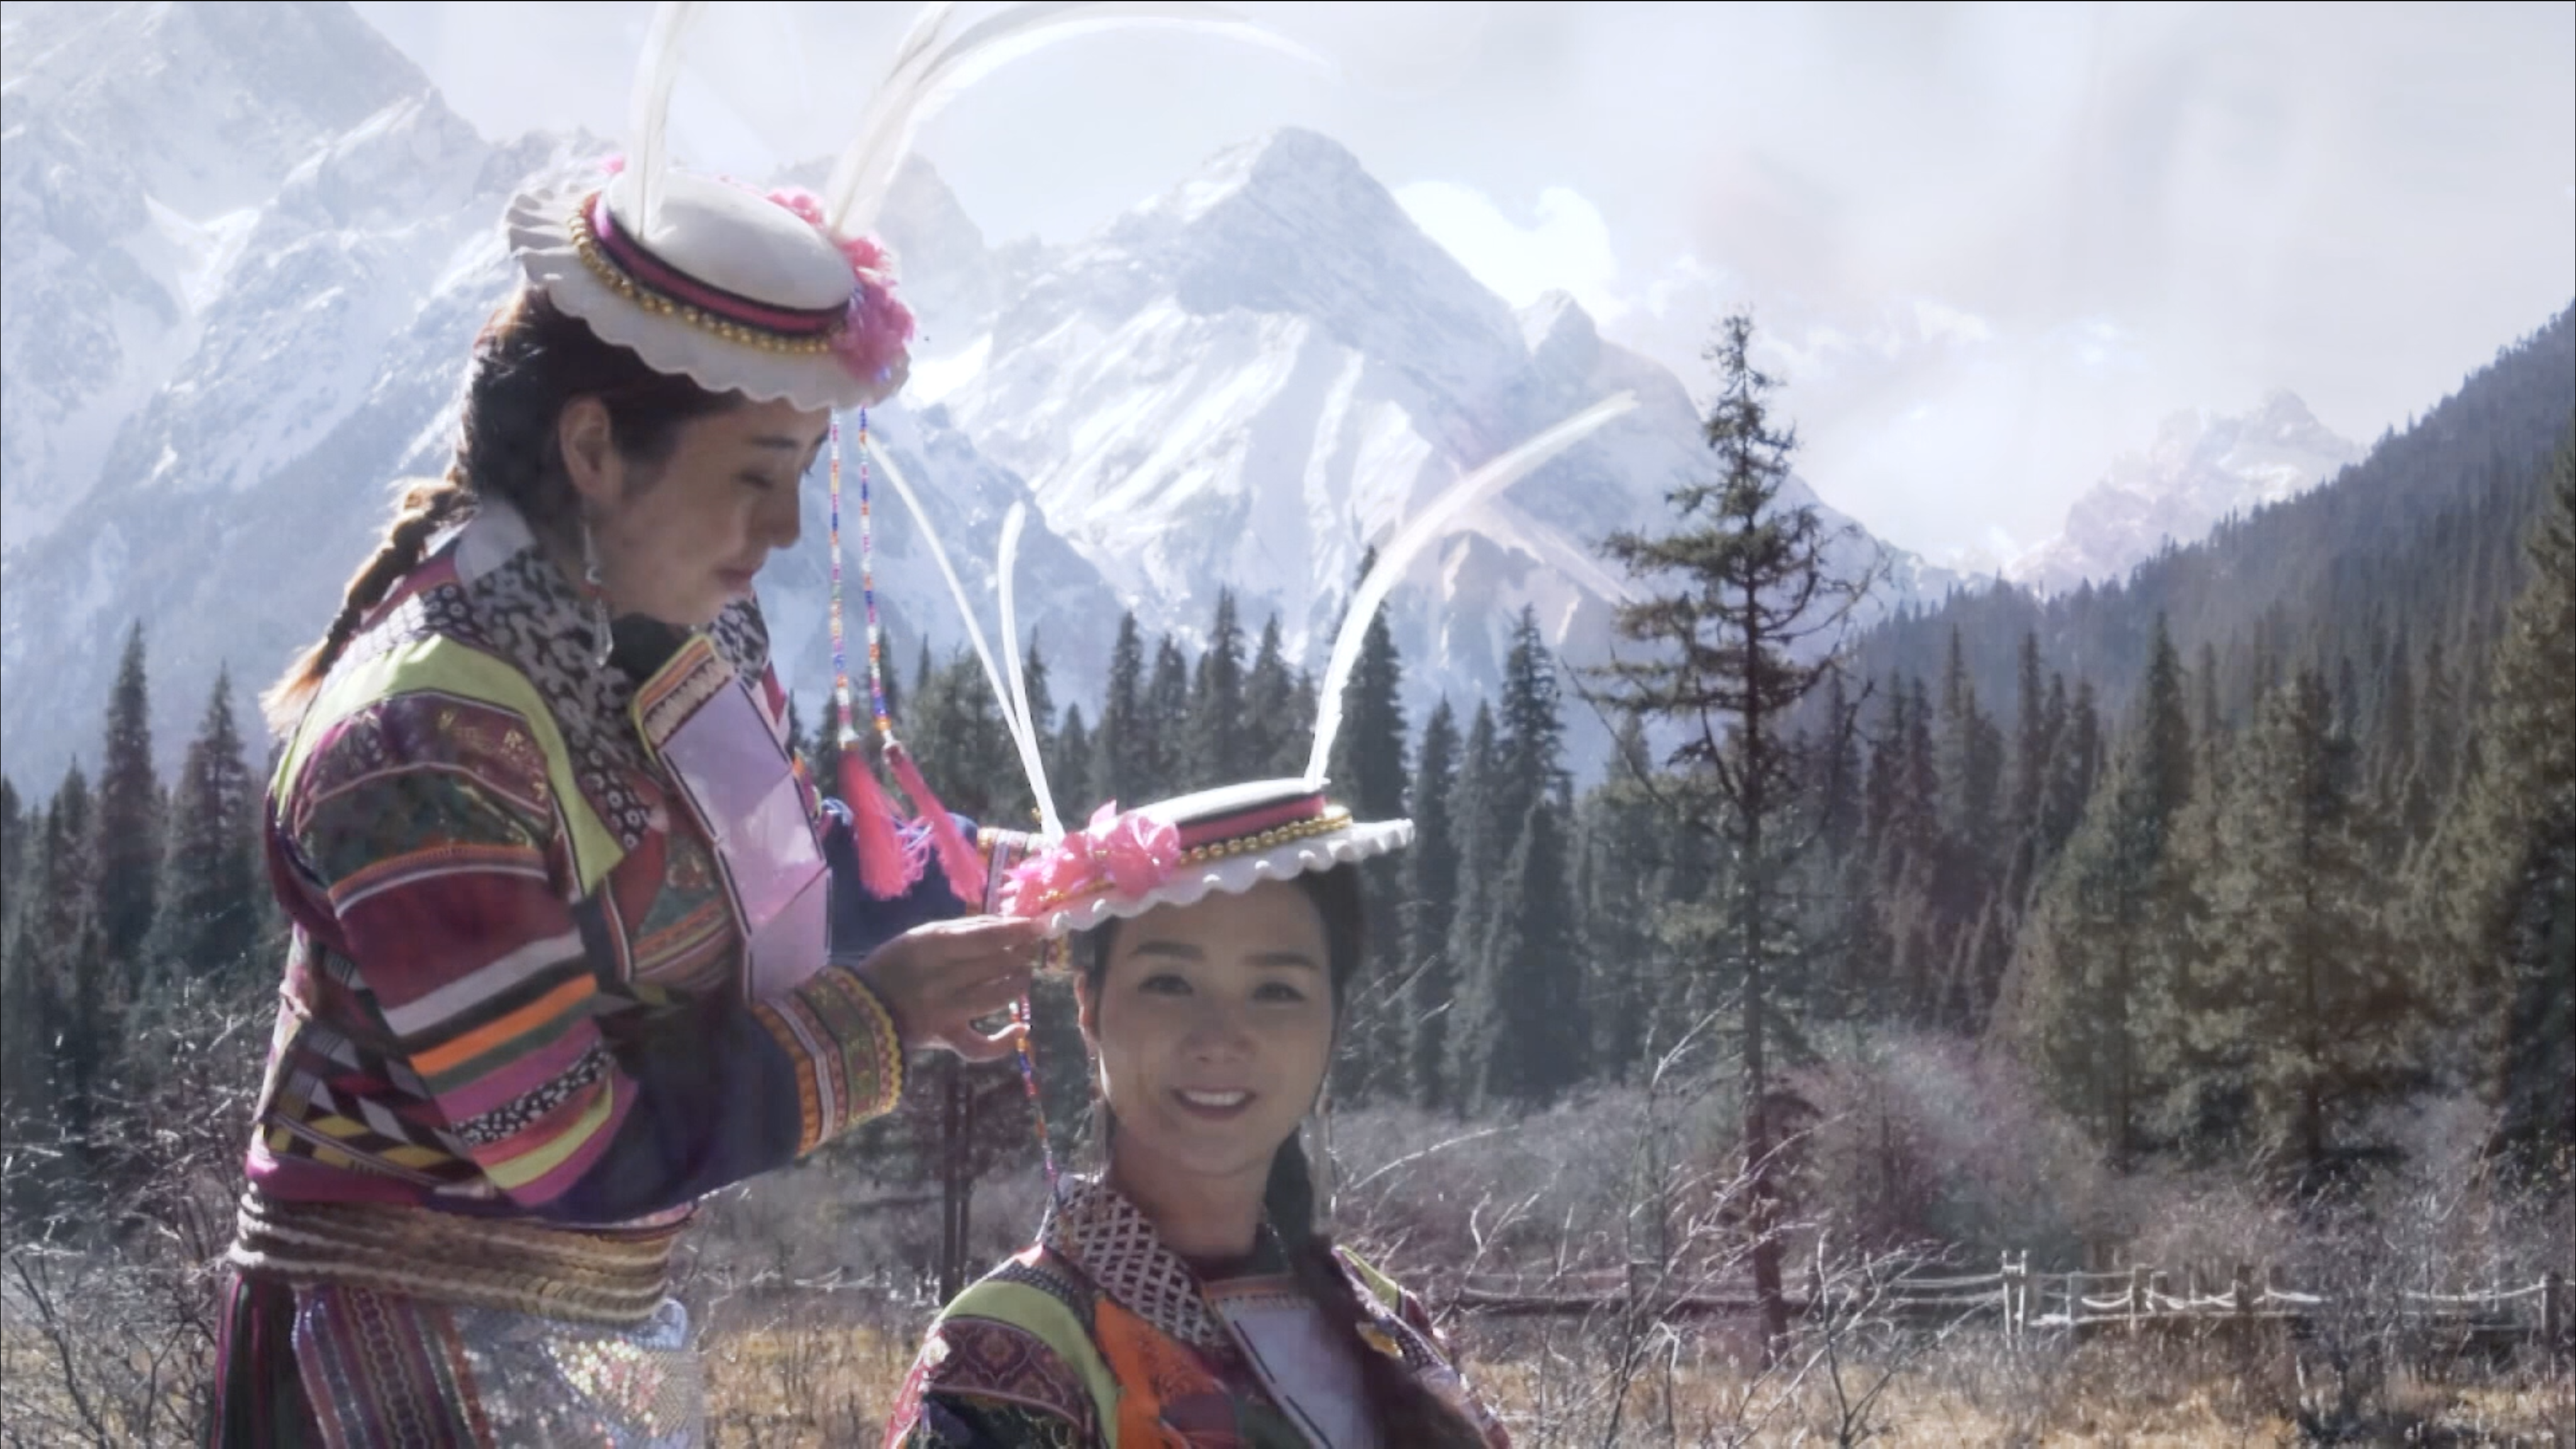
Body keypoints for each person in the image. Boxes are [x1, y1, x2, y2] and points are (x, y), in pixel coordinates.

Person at [205, 61, 1051, 1446]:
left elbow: (752, 893)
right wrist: (881, 1022)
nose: (779, 533)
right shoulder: (424, 742)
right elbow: (563, 1136)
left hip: (581, 1343)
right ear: (595, 448)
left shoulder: (666, 640)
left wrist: (975, 891)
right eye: (752, 473)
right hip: (392, 1361)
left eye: (800, 480)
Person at [880, 782, 1514, 1448]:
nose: (1219, 1038)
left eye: (1276, 991)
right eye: (1170, 984)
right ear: (1088, 1008)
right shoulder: (1015, 1347)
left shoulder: (1384, 1319)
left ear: (1334, 1023)